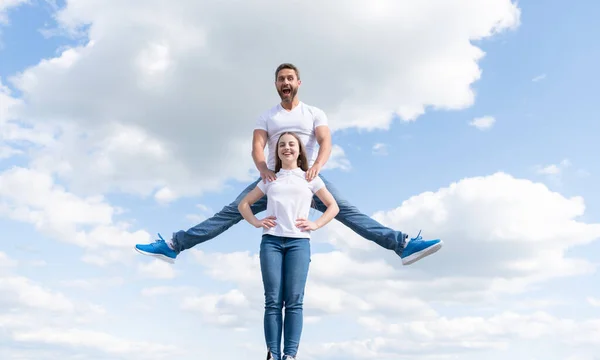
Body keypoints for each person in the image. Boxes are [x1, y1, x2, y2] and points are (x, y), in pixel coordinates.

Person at [134, 63, 443, 266]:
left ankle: (401, 245)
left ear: (298, 83)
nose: (285, 82)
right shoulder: (267, 116)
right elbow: (257, 146)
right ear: (276, 84)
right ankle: (175, 244)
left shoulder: (314, 113)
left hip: (306, 178)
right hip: (272, 181)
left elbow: (326, 142)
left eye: (289, 78)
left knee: (346, 211)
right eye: (280, 79)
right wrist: (263, 171)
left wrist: (317, 167)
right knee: (229, 213)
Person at [238, 131, 339, 360]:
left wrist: (315, 224)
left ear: (299, 150)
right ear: (277, 151)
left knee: (294, 300)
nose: (287, 148)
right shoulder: (270, 179)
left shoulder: (310, 177)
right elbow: (244, 204)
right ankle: (273, 354)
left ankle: (290, 355)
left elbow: (333, 206)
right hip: (271, 242)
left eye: (291, 144)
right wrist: (256, 222)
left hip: (299, 244)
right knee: (273, 300)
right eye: (282, 145)